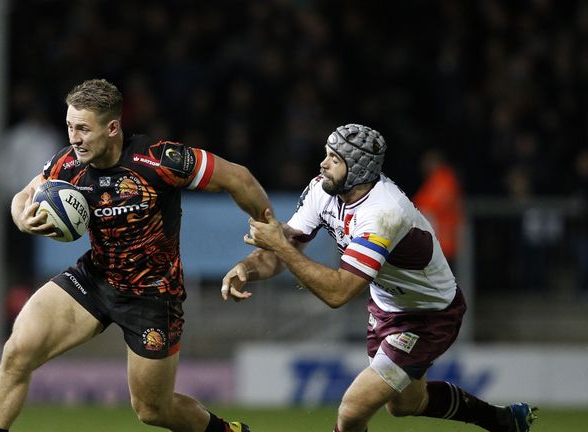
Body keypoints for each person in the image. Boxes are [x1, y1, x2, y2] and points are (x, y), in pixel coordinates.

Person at [0, 79, 270, 432]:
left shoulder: (161, 160)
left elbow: (238, 178)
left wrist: (269, 231)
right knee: (17, 353)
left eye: (83, 129)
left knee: (153, 410)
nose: (74, 138)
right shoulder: (68, 164)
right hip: (93, 280)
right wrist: (22, 219)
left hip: (152, 295)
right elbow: (23, 196)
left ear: (112, 127)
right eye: (70, 127)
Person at [221, 124, 537, 432]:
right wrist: (246, 269)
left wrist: (280, 246)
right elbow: (285, 247)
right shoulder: (322, 189)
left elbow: (338, 293)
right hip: (387, 309)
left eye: (334, 158)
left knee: (352, 410)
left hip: (428, 315)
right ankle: (503, 421)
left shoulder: (383, 214)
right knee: (406, 405)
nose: (323, 163)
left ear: (357, 168)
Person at [412, 148, 463, 269]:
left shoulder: (445, 178)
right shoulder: (435, 179)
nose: (424, 165)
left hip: (444, 241)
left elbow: (425, 205)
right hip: (439, 242)